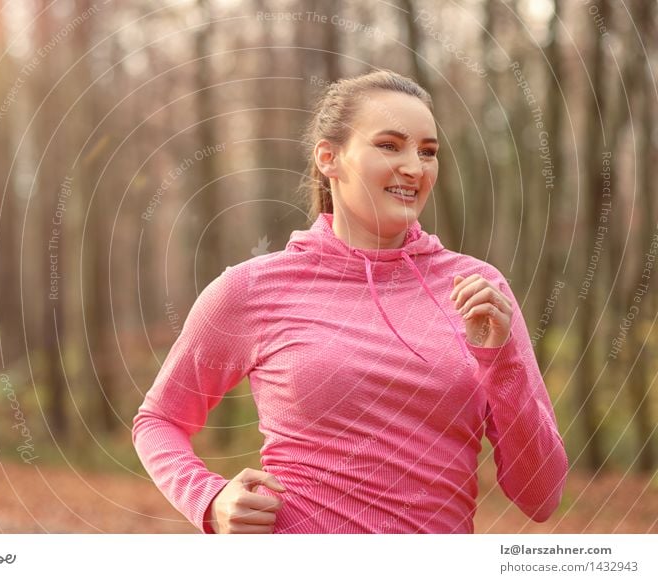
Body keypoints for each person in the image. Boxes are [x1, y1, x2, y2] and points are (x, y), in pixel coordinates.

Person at [132, 69, 568, 534]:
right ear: (329, 157)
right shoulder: (252, 289)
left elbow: (540, 496)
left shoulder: (479, 291)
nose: (415, 167)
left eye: (427, 152)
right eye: (389, 145)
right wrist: (209, 499)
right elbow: (158, 420)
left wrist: (501, 362)